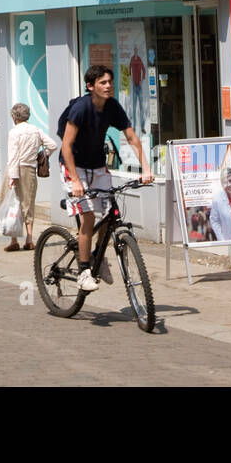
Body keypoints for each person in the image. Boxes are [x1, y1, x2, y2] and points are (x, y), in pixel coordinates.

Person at [59, 64, 154, 292]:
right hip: (74, 166)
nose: (108, 86)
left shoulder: (112, 107)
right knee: (89, 218)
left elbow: (131, 137)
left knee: (111, 211)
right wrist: (75, 180)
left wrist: (147, 169)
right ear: (91, 86)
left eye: (110, 82)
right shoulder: (81, 108)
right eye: (102, 82)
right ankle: (83, 271)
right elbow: (66, 146)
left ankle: (98, 257)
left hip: (98, 165)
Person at [0, 102, 56, 252]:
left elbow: (13, 157)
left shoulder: (15, 132)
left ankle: (14, 240)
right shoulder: (36, 130)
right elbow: (52, 145)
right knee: (28, 203)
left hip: (16, 169)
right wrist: (42, 156)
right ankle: (29, 239)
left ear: (14, 116)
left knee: (13, 203)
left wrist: (13, 177)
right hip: (30, 170)